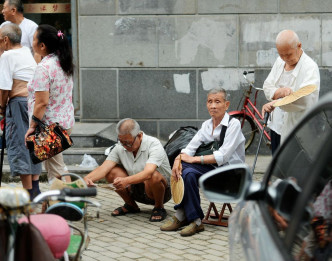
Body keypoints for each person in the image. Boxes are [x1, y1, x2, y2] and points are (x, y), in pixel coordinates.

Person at [160, 88, 245, 237]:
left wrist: (192, 159)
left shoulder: (233, 125)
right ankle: (195, 220)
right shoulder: (206, 125)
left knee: (189, 169)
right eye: (210, 101)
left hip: (230, 175)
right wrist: (177, 161)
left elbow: (223, 156)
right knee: (185, 170)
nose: (213, 106)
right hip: (211, 170)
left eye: (217, 102)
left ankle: (183, 215)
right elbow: (190, 148)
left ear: (226, 105)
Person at [84, 118, 172, 222]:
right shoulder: (120, 147)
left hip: (160, 191)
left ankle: (159, 207)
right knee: (112, 172)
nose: (125, 146)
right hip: (135, 188)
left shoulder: (154, 144)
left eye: (128, 143)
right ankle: (131, 205)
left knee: (153, 175)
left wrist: (126, 181)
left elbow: (148, 173)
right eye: (121, 142)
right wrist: (87, 179)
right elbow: (104, 168)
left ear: (139, 136)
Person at [24, 24, 74, 183]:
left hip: (49, 126)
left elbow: (42, 103)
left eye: (33, 39)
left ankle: (66, 204)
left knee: (56, 170)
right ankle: (55, 203)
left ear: (42, 45)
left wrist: (32, 126)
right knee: (56, 166)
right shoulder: (62, 62)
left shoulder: (44, 68)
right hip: (64, 122)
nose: (31, 42)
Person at [0, 23, 41, 199]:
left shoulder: (8, 55)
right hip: (32, 102)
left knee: (20, 144)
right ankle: (35, 188)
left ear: (5, 39)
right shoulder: (26, 52)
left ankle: (27, 192)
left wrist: (1, 107)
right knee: (33, 143)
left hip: (18, 103)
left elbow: (4, 87)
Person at [262, 30, 320, 153]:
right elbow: (267, 86)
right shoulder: (280, 62)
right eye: (281, 54)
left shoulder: (310, 67)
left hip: (298, 130)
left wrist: (274, 103)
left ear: (299, 46)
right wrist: (280, 91)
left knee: (294, 168)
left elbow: (304, 99)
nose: (285, 58)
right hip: (277, 126)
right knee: (277, 165)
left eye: (288, 54)